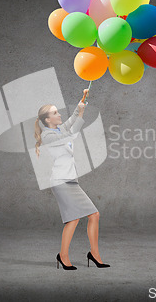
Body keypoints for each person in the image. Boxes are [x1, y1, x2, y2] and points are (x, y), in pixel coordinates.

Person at [34, 89, 110, 270]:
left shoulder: (59, 128)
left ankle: (90, 254)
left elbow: (71, 122)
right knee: (81, 218)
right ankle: (67, 256)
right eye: (54, 113)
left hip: (70, 180)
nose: (59, 114)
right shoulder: (48, 135)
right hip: (61, 182)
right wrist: (80, 115)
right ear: (47, 120)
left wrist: (81, 104)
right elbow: (71, 134)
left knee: (86, 217)